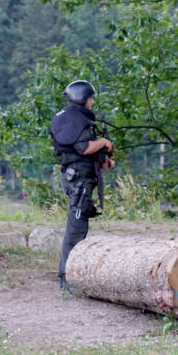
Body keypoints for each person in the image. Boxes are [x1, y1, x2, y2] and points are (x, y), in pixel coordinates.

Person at [49, 80, 115, 292]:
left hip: (79, 177)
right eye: (91, 98)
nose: (92, 102)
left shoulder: (70, 119)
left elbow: (80, 155)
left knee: (79, 226)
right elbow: (84, 147)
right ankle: (66, 279)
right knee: (75, 230)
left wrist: (103, 163)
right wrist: (104, 142)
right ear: (83, 97)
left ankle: (71, 276)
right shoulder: (75, 120)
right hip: (78, 182)